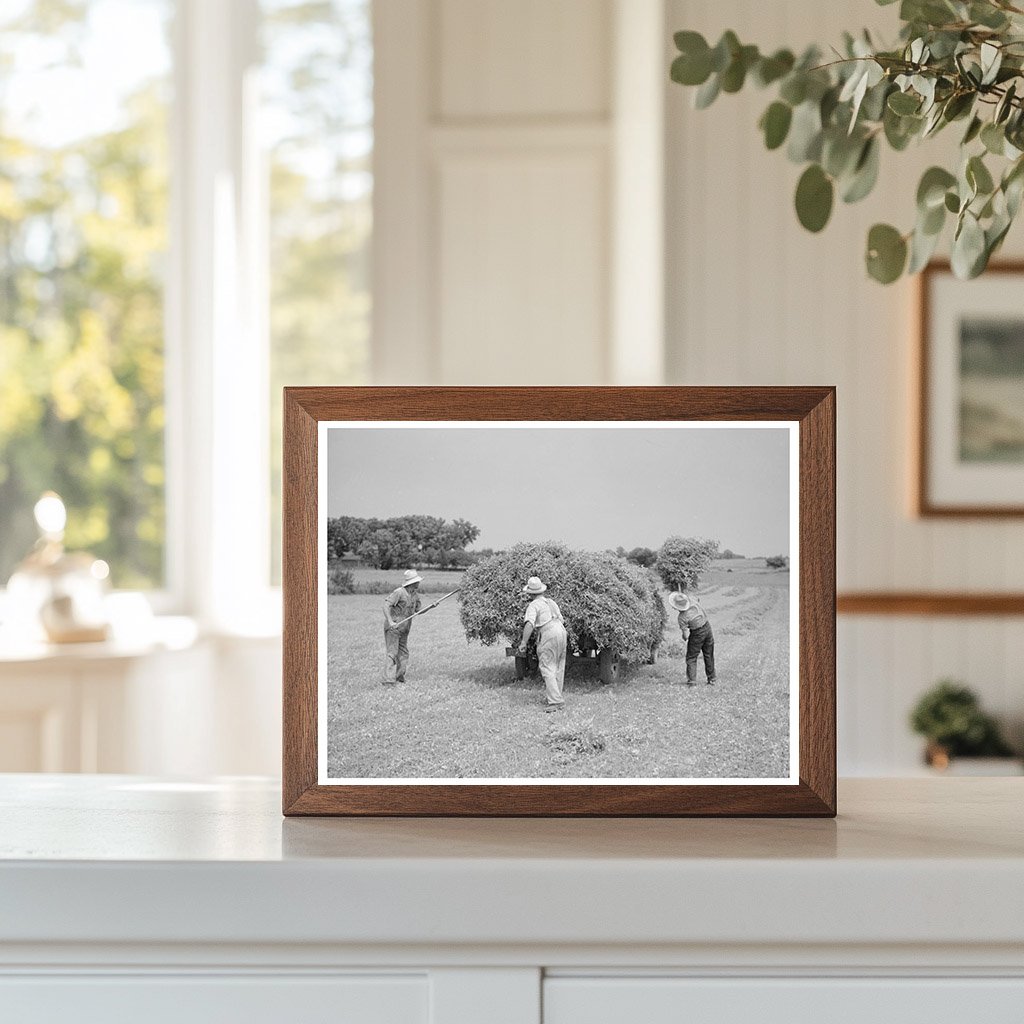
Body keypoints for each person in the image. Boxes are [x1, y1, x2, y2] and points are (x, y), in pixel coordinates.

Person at [517, 576, 567, 712]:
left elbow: (529, 624)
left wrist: (523, 642)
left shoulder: (533, 605)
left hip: (548, 632)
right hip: (561, 631)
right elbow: (561, 619)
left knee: (547, 666)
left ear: (530, 593)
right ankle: (557, 697)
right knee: (559, 665)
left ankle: (556, 702)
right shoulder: (551, 602)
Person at [382, 569, 423, 684]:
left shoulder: (415, 595)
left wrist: (432, 606)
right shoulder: (399, 592)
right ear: (412, 582)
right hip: (394, 628)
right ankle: (388, 681)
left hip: (405, 628)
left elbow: (419, 610)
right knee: (392, 653)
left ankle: (399, 678)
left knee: (404, 653)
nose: (419, 583)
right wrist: (390, 621)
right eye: (417, 581)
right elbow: (386, 605)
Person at [669, 591, 716, 686]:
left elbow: (686, 636)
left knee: (691, 657)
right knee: (708, 654)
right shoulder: (693, 600)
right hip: (707, 628)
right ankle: (712, 679)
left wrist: (683, 636)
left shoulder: (682, 617)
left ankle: (692, 681)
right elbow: (697, 598)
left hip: (697, 634)